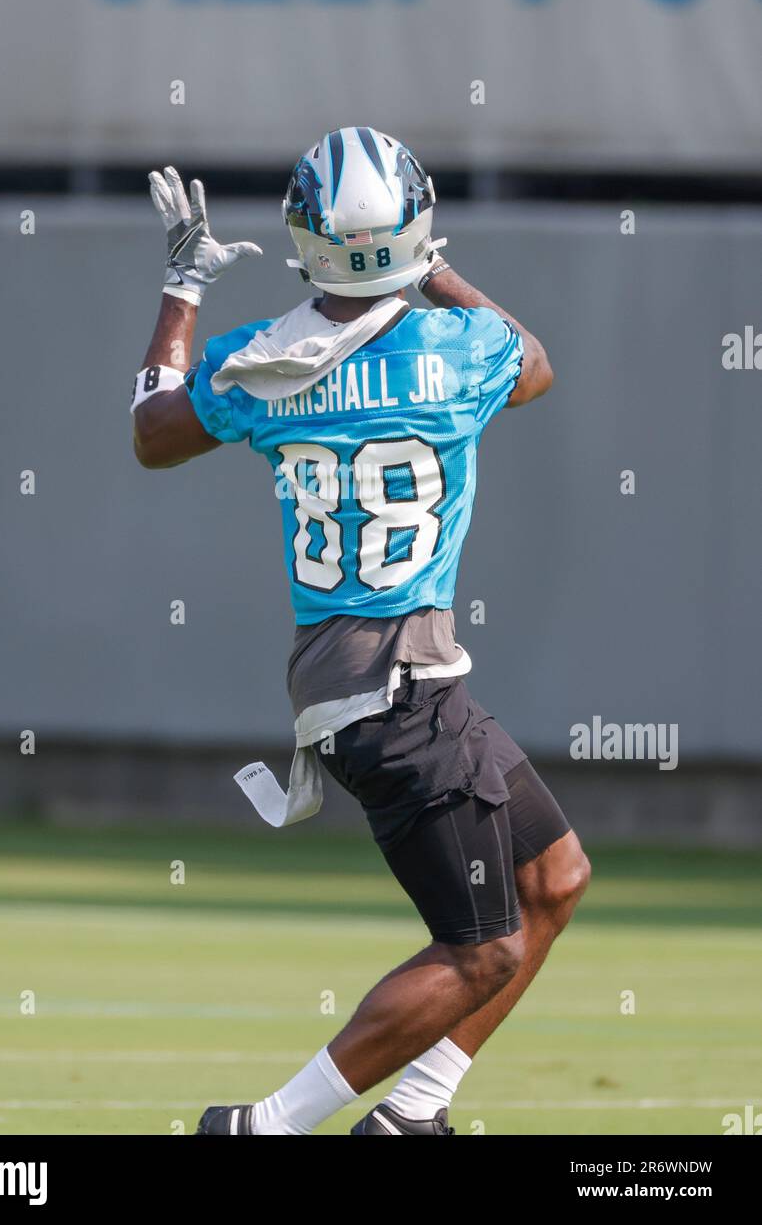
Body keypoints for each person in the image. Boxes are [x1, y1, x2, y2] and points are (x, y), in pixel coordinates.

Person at [132, 127, 590, 1136]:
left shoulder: (265, 360)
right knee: (481, 948)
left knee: (551, 878)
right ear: (416, 227)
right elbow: (536, 364)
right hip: (401, 692)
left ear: (303, 236)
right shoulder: (458, 350)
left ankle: (411, 1112)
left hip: (372, 680)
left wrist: (181, 288)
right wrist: (432, 266)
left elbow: (153, 432)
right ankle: (263, 1127)